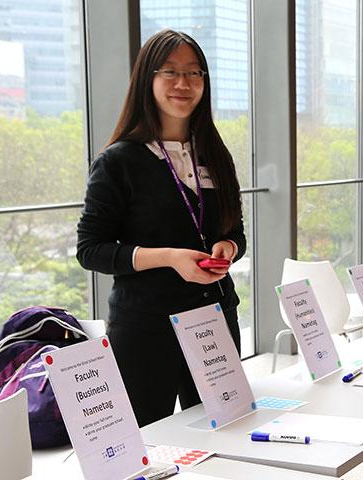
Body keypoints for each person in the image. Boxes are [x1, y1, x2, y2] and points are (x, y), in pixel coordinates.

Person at [76, 29, 245, 427]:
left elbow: (236, 230)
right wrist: (169, 258)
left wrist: (228, 246)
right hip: (146, 328)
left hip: (215, 318)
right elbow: (91, 249)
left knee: (224, 435)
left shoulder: (215, 154)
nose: (183, 83)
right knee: (148, 443)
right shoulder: (119, 162)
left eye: (194, 72)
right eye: (170, 71)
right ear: (147, 80)